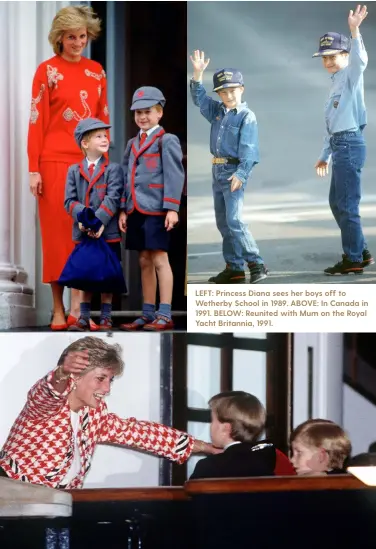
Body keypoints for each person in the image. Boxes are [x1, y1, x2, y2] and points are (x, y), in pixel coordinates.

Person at [0, 337, 219, 489]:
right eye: (101, 378)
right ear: (75, 376)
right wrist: (61, 372)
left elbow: (141, 433)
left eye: (110, 380)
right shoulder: (46, 408)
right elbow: (47, 393)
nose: (107, 389)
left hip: (51, 510)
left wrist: (205, 447)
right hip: (11, 504)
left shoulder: (93, 416)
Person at [28, 5, 109, 330]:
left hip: (87, 164)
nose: (78, 42)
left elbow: (103, 121)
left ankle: (79, 308)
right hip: (52, 162)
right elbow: (37, 122)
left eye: (83, 36)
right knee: (57, 237)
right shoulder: (47, 71)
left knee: (85, 235)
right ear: (59, 38)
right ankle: (58, 309)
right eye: (72, 37)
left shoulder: (97, 72)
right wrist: (34, 168)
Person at [189, 51, 268, 285]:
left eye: (232, 90)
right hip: (217, 171)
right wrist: (198, 74)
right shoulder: (217, 112)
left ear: (242, 89)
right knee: (223, 222)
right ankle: (233, 268)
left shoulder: (246, 116)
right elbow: (199, 99)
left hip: (234, 171)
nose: (228, 95)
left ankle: (256, 263)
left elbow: (250, 150)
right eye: (223, 92)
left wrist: (241, 174)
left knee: (235, 220)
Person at [313, 5, 373, 276]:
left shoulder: (350, 74)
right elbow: (332, 124)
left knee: (347, 205)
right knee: (337, 203)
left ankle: (353, 258)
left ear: (345, 55)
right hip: (340, 144)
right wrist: (325, 153)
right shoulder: (336, 80)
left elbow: (360, 60)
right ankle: (360, 249)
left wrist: (354, 30)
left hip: (349, 144)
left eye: (333, 56)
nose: (327, 62)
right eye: (324, 58)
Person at [119, 87, 184, 332]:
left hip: (157, 209)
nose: (142, 117)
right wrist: (124, 209)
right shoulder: (132, 143)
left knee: (159, 258)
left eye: (147, 112)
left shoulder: (167, 140)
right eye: (138, 113)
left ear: (159, 113)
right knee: (144, 260)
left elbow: (175, 174)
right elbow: (127, 177)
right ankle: (147, 312)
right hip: (136, 209)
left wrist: (172, 208)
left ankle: (164, 313)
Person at [64, 118, 124, 331]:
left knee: (107, 274)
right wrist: (84, 220)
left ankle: (106, 316)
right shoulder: (73, 170)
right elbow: (69, 201)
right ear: (85, 143)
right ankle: (83, 316)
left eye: (105, 135)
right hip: (84, 232)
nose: (104, 139)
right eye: (98, 136)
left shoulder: (113, 169)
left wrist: (98, 222)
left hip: (107, 231)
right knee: (85, 275)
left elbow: (113, 197)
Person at [190, 391, 293, 479]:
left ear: (226, 428)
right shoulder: (273, 459)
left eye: (212, 420)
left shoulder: (207, 466)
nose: (211, 425)